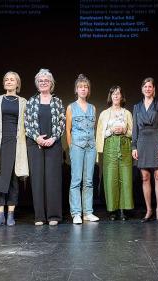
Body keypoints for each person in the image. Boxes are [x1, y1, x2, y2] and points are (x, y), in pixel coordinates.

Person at [0, 71, 28, 227]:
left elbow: (27, 125)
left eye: (12, 80)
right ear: (4, 83)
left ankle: (10, 215)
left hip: (16, 144)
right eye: (6, 79)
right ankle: (0, 215)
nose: (9, 82)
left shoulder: (23, 102)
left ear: (17, 84)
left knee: (13, 180)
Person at [25, 69, 65, 226]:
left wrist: (53, 138)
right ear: (37, 84)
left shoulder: (57, 102)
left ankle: (54, 215)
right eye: (40, 81)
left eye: (46, 81)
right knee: (37, 180)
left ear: (51, 83)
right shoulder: (31, 101)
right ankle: (40, 216)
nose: (43, 83)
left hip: (53, 144)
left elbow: (62, 122)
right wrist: (37, 138)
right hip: (35, 145)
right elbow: (27, 123)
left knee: (53, 179)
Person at [131, 78, 158, 223]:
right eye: (145, 86)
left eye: (150, 86)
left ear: (154, 89)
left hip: (157, 141)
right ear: (142, 89)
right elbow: (135, 129)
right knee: (145, 177)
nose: (147, 89)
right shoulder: (137, 107)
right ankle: (149, 210)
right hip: (142, 143)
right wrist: (133, 146)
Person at [66, 74, 100, 224]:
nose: (83, 89)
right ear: (76, 89)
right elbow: (68, 130)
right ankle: (76, 213)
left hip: (90, 147)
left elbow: (93, 130)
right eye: (81, 87)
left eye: (86, 87)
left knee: (88, 180)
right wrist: (71, 147)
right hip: (77, 146)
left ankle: (87, 212)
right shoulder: (71, 107)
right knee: (76, 180)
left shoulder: (93, 108)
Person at [96, 86, 134, 220]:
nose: (116, 96)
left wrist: (123, 131)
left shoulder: (127, 113)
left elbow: (132, 132)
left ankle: (124, 209)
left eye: (118, 94)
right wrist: (112, 130)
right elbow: (100, 133)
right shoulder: (104, 113)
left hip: (124, 145)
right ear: (110, 96)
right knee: (110, 177)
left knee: (125, 177)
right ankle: (112, 209)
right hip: (110, 146)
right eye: (114, 94)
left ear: (122, 97)